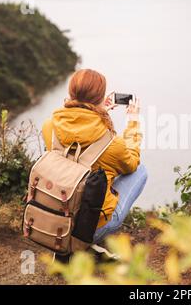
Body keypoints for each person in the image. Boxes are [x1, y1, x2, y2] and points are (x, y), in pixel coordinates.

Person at [41, 68, 147, 257]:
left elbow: (75, 139)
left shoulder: (49, 127)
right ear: (99, 97)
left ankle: (66, 242)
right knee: (140, 171)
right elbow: (131, 163)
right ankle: (81, 246)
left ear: (71, 93)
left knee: (94, 168)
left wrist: (98, 111)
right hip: (89, 228)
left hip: (55, 219)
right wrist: (133, 122)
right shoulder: (112, 144)